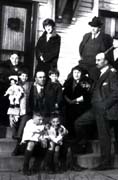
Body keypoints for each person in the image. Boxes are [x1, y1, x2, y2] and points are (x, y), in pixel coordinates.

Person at [74, 52, 118, 170]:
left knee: (104, 136)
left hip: (104, 110)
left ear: (106, 61)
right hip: (95, 109)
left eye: (99, 60)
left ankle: (106, 163)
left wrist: (104, 106)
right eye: (96, 60)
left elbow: (116, 93)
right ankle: (83, 144)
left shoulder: (112, 74)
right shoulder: (100, 73)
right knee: (79, 123)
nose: (96, 62)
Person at [79, 16, 114, 82]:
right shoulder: (86, 36)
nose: (93, 28)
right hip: (84, 64)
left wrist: (111, 66)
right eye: (92, 26)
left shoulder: (105, 38)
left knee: (93, 82)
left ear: (99, 28)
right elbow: (81, 48)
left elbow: (109, 53)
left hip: (96, 66)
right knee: (74, 76)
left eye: (95, 27)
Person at [63, 65, 92, 139]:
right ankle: (71, 136)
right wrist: (69, 101)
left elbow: (87, 95)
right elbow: (64, 93)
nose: (76, 74)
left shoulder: (85, 81)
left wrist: (74, 101)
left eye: (78, 72)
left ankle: (81, 138)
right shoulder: (69, 81)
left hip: (81, 106)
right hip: (70, 105)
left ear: (81, 73)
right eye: (74, 72)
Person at [11, 69, 32, 155]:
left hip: (26, 111)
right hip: (15, 110)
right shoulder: (15, 85)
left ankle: (17, 148)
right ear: (19, 76)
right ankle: (19, 146)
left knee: (21, 129)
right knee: (14, 127)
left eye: (26, 76)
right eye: (23, 75)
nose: (24, 77)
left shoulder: (30, 85)